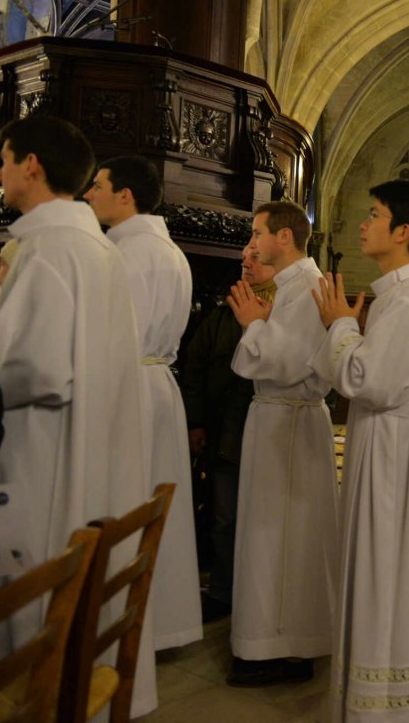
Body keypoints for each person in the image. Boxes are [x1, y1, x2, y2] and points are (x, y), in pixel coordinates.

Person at [0, 116, 155, 714]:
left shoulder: (51, 249)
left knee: (30, 592)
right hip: (86, 448)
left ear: (32, 164)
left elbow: (33, 368)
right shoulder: (92, 246)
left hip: (43, 450)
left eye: (5, 159)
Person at [312, 180, 409, 721]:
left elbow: (368, 382)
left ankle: (386, 703)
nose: (364, 224)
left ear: (403, 232)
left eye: (374, 215)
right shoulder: (403, 294)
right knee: (389, 568)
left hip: (395, 455)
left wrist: (341, 324)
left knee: (386, 569)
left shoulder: (408, 302)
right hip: (395, 443)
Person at [84, 154, 202, 651]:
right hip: (159, 387)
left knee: (126, 502)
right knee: (158, 509)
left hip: (127, 385)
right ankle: (164, 623)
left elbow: (110, 333)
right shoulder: (169, 250)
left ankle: (127, 623)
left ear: (125, 196)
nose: (89, 194)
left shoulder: (122, 252)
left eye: (98, 186)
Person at [227, 200, 338, 686]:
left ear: (285, 238)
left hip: (291, 425)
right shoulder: (291, 288)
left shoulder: (308, 289)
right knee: (270, 532)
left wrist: (253, 323)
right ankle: (271, 637)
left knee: (282, 535)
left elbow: (288, 363)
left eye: (258, 233)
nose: (252, 243)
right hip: (277, 421)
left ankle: (282, 644)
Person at [180, 244, 277, 622]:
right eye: (244, 259)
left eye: (255, 257)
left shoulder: (285, 308)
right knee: (225, 519)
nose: (246, 264)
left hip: (267, 434)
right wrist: (195, 422)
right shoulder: (223, 314)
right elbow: (195, 369)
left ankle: (259, 597)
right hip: (226, 435)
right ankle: (222, 593)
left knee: (264, 521)